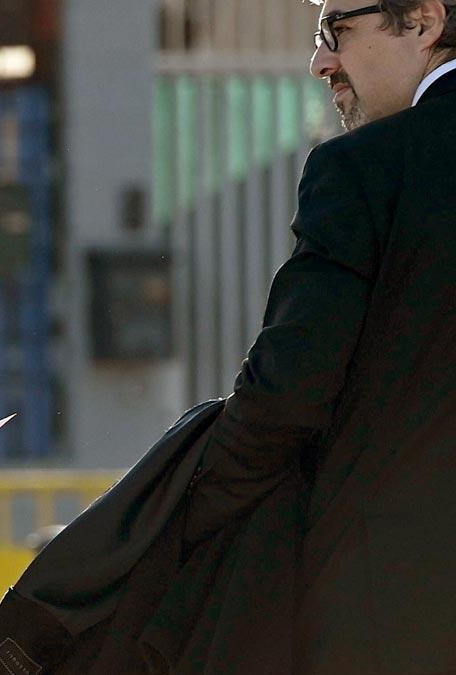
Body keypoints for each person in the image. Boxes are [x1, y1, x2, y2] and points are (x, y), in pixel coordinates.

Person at [184, 0, 455, 672]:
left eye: (336, 31)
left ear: (424, 21)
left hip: (398, 606)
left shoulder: (367, 168)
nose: (319, 63)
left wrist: (183, 513)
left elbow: (284, 396)